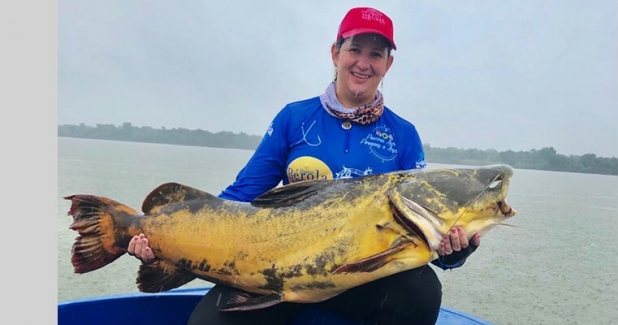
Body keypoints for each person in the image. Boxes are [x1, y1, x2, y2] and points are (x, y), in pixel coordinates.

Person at [127, 6, 480, 325]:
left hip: (362, 281)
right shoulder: (294, 118)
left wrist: (454, 252)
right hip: (278, 270)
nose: (363, 62)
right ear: (335, 53)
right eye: (355, 49)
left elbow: (423, 238)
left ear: (388, 64)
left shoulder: (403, 135)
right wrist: (163, 235)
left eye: (376, 54)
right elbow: (241, 194)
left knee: (423, 292)